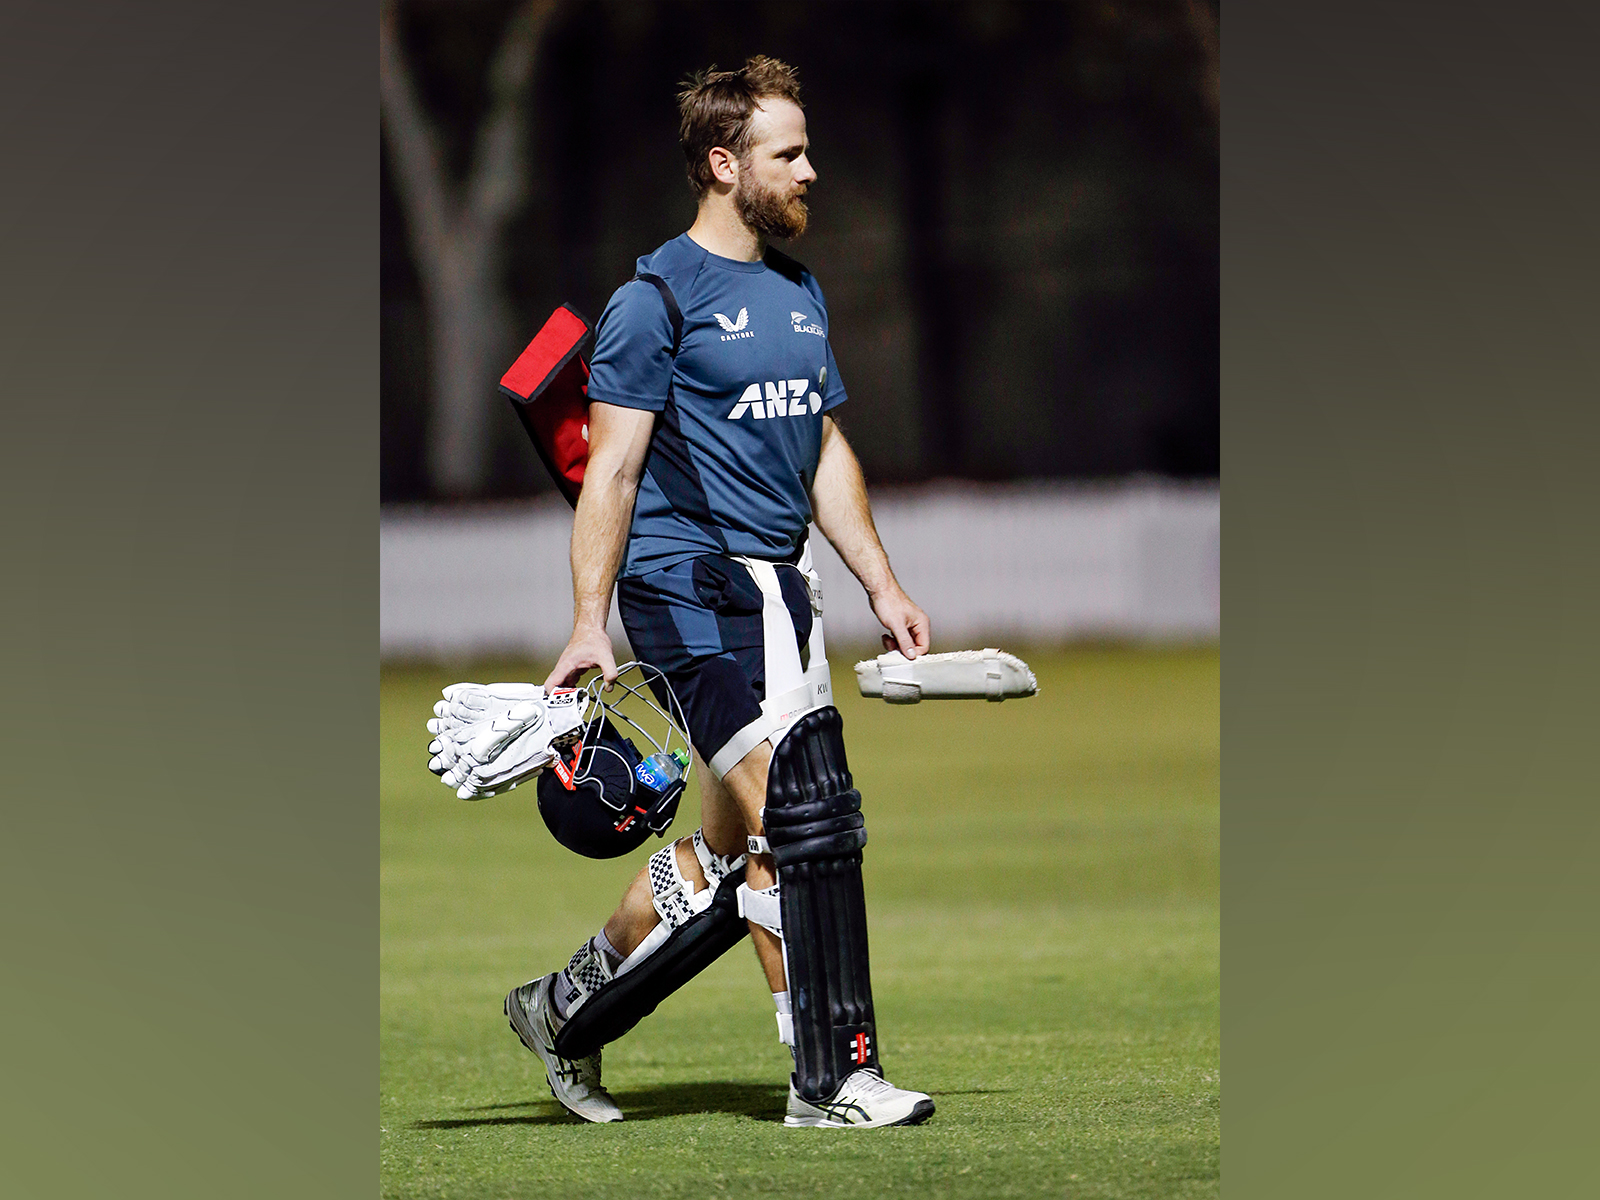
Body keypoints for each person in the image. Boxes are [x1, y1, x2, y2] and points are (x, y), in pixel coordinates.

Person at [504, 56, 934, 1129]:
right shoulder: (651, 302)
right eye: (789, 153)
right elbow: (610, 473)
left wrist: (880, 583)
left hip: (783, 599)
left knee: (732, 858)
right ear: (723, 164)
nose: (810, 171)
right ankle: (828, 1079)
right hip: (686, 593)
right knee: (803, 824)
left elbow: (821, 446)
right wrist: (589, 623)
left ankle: (559, 1013)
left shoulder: (799, 293)